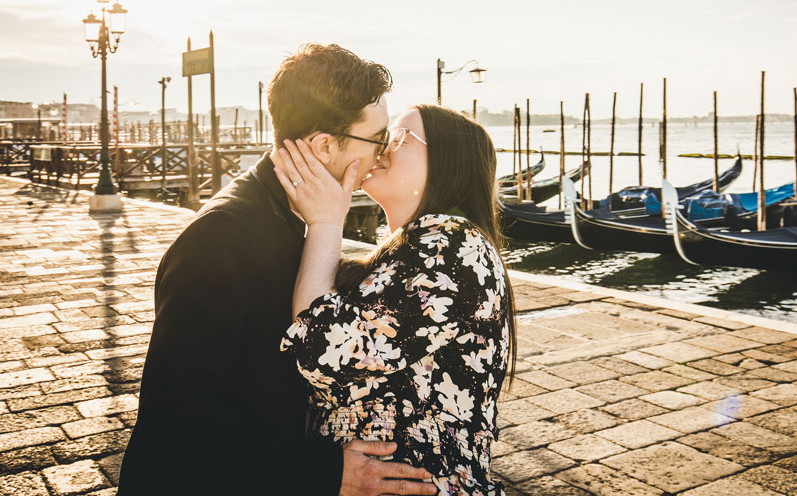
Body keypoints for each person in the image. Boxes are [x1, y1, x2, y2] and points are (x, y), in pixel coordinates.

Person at [117, 44, 436, 496]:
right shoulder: (223, 238)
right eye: (378, 139)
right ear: (325, 144)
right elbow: (182, 423)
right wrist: (326, 474)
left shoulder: (288, 215)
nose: (382, 154)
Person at [272, 104, 516, 496]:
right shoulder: (418, 250)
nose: (383, 147)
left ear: (446, 163)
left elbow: (321, 346)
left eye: (400, 138)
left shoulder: (453, 245)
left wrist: (326, 222)